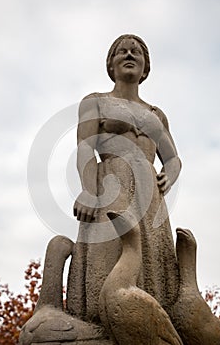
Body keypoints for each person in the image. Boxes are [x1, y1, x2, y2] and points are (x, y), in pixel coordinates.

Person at [67, 34, 182, 323]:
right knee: (108, 253)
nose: (129, 54)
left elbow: (172, 156)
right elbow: (84, 147)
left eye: (136, 52)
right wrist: (89, 190)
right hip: (112, 182)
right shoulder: (96, 102)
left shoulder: (156, 114)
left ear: (145, 68)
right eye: (122, 51)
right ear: (111, 65)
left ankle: (154, 322)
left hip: (149, 195)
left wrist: (170, 172)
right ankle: (103, 320)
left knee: (153, 256)